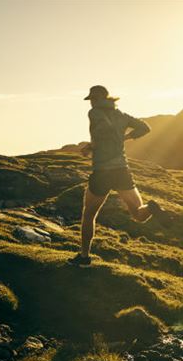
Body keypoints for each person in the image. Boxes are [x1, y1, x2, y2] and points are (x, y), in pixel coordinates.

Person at [68, 85, 171, 266]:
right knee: (139, 214)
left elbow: (102, 134)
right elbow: (144, 127)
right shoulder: (122, 115)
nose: (91, 102)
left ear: (98, 98)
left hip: (102, 172)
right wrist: (124, 138)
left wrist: (91, 147)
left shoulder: (94, 113)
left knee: (89, 215)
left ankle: (84, 257)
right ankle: (152, 208)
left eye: (92, 99)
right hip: (122, 170)